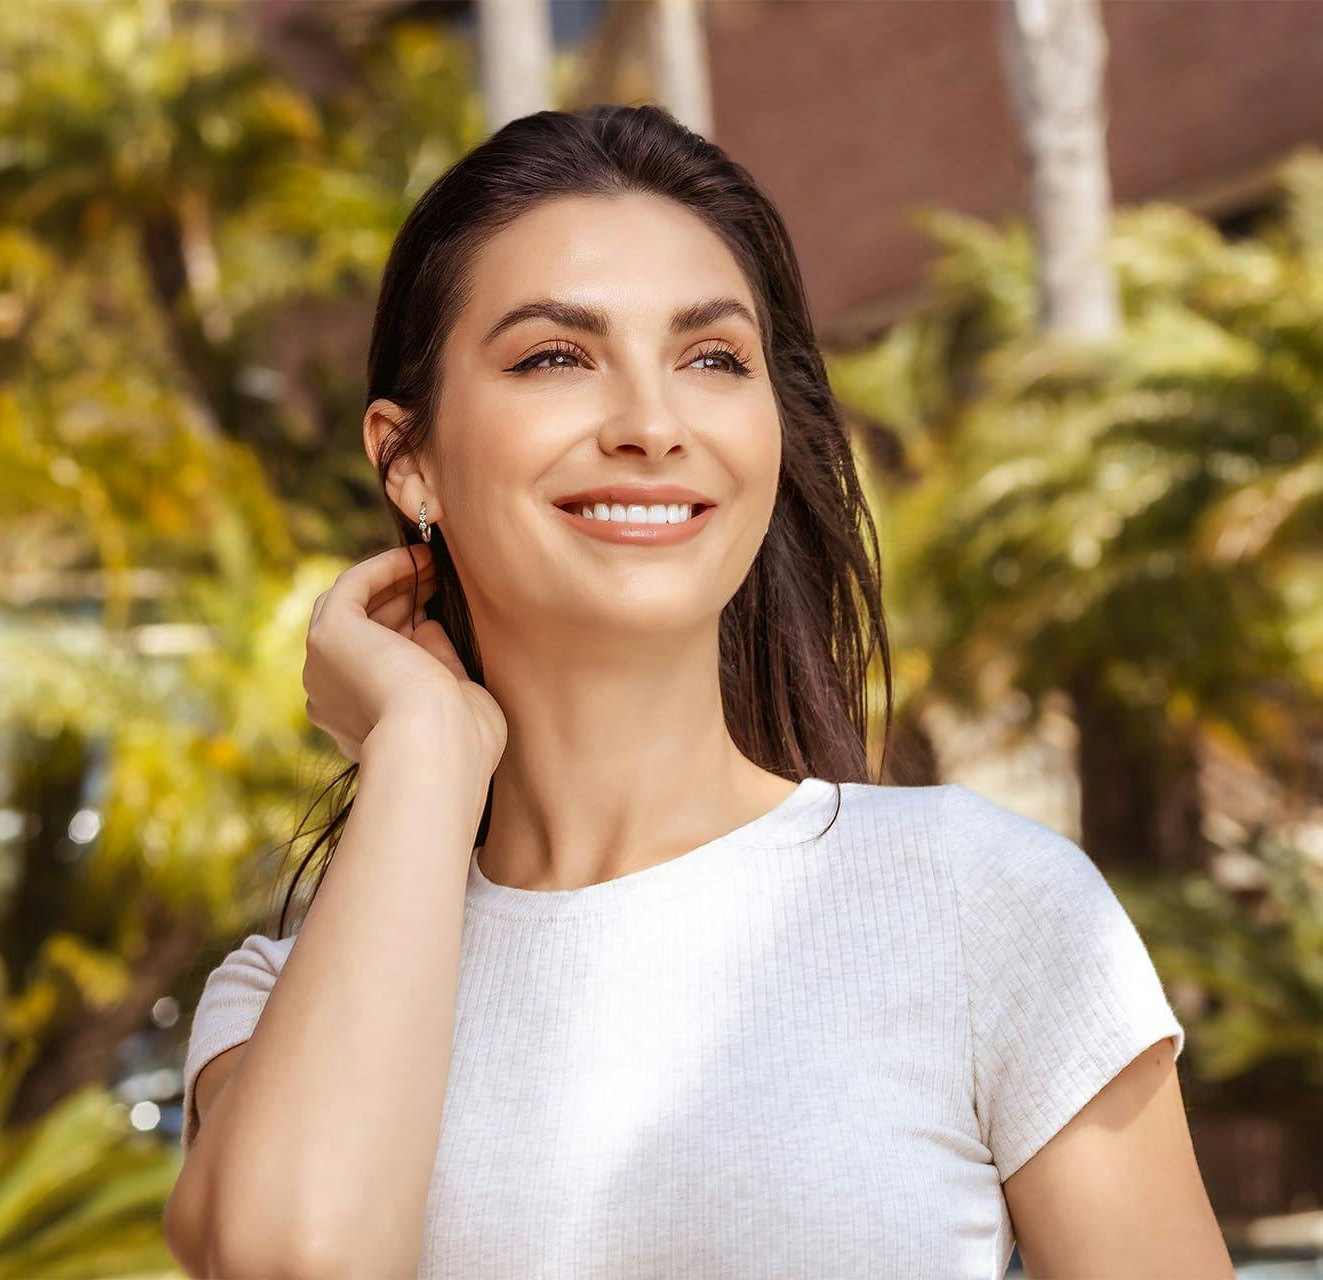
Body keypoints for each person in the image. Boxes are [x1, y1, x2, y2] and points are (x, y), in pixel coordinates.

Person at [163, 103, 1232, 1280]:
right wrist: (421, 743)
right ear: (407, 460)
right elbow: (298, 1259)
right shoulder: (283, 1002)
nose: (650, 423)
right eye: (554, 356)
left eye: (712, 358)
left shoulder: (979, 903)